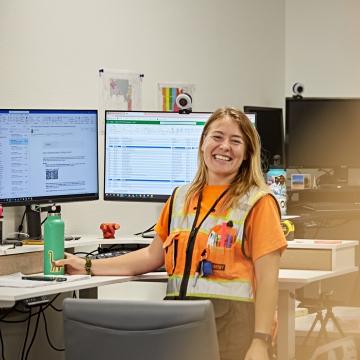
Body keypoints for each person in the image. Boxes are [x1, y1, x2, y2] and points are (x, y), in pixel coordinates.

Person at [55, 106, 287, 360]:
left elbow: (268, 281)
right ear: (202, 143)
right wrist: (87, 265)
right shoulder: (180, 198)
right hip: (178, 323)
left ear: (247, 153)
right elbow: (151, 256)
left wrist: (261, 341)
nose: (225, 147)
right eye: (217, 137)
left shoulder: (258, 202)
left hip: (233, 328)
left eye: (235, 141)